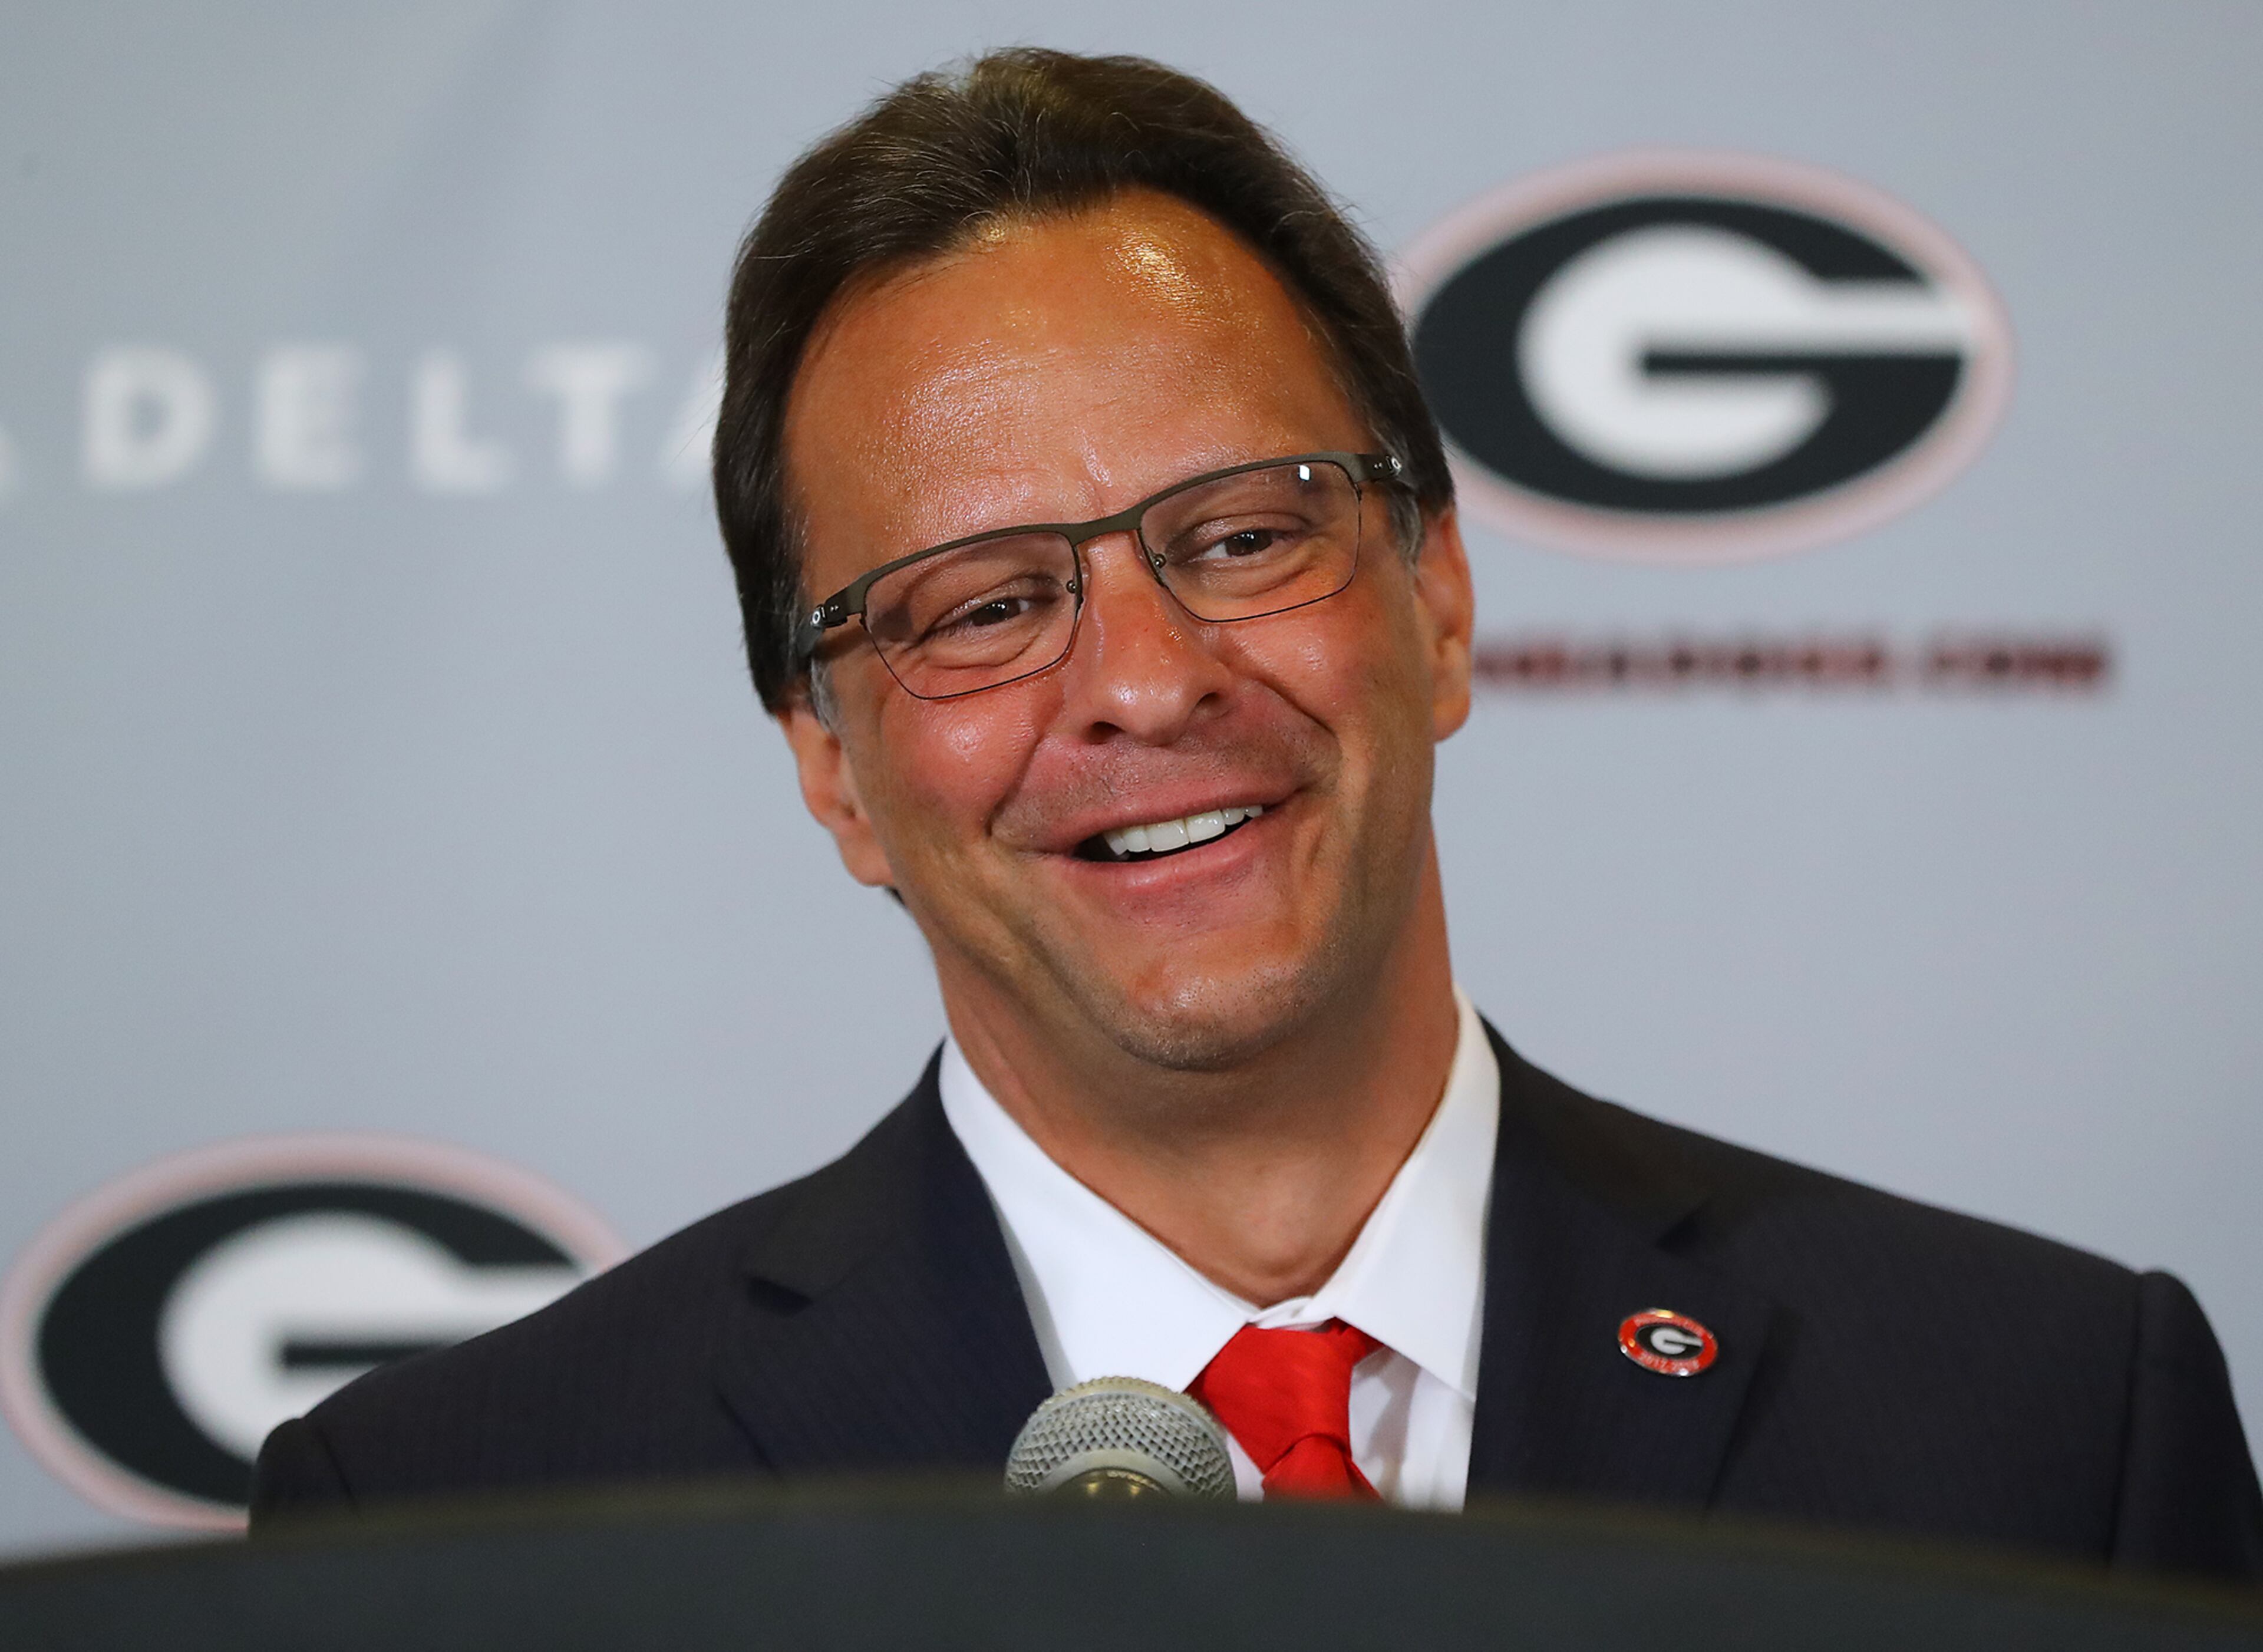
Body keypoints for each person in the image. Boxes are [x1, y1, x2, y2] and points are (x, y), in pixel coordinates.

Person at [252, 47, 2262, 1578]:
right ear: (830, 766)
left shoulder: (2052, 1430)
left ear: (1442, 599)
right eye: (985, 606)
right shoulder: (465, 1526)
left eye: (1237, 534)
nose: (1143, 677)